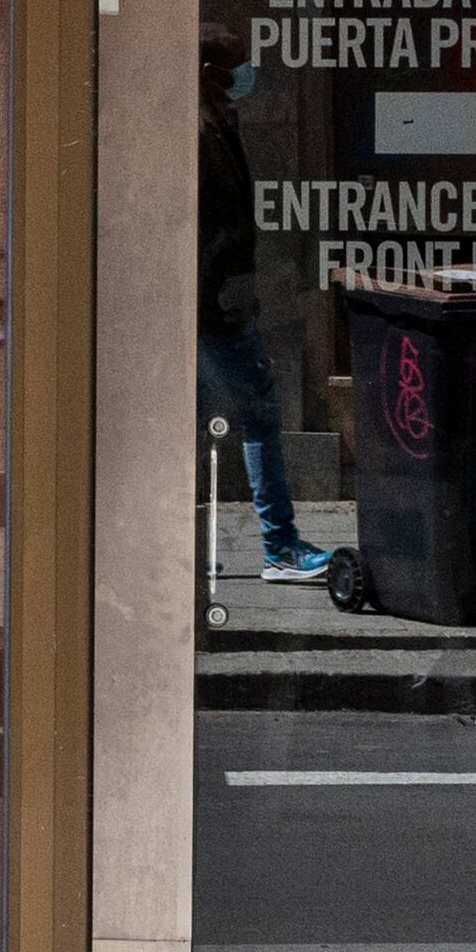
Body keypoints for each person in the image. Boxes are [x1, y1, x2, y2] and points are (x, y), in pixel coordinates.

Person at [199, 35, 323, 581]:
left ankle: (183, 551)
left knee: (201, 424)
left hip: (217, 302)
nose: (246, 77)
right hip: (215, 307)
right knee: (260, 412)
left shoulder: (219, 124)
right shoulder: (199, 135)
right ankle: (280, 547)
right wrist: (219, 295)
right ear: (210, 72)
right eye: (237, 69)